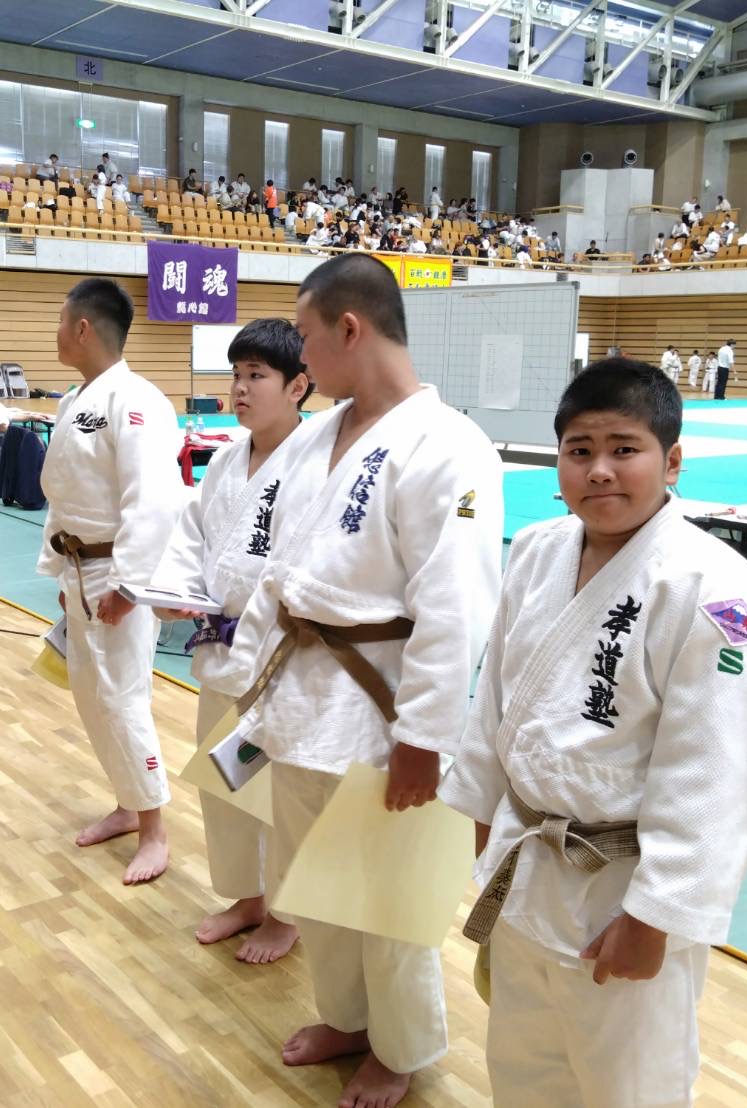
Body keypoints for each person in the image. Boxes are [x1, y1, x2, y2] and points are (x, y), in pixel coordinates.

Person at [439, 357, 747, 1108]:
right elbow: (494, 700)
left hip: (621, 888)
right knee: (524, 1067)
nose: (599, 470)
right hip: (527, 864)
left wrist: (658, 916)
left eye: (624, 449)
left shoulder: (712, 586)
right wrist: (484, 822)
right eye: (579, 450)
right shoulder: (538, 550)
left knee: (628, 1085)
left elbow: (722, 770)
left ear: (672, 461)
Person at [226, 254, 502, 1108]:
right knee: (312, 882)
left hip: (382, 706)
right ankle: (347, 1019)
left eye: (305, 337)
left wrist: (424, 738)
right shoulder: (321, 432)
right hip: (300, 693)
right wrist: (245, 670)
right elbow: (279, 564)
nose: (301, 359)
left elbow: (456, 606)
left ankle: (401, 1048)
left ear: (349, 329)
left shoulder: (448, 445)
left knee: (386, 901)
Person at [153, 318, 309, 966]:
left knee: (280, 795)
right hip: (218, 647)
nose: (240, 389)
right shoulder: (224, 459)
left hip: (282, 657)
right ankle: (247, 897)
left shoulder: (317, 464)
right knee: (224, 784)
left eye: (257, 376)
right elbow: (191, 538)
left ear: (298, 386)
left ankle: (286, 915)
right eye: (236, 374)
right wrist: (177, 591)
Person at [38, 278, 184, 886]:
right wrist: (58, 568)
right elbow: (64, 495)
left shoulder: (137, 399)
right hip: (79, 568)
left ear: (82, 328)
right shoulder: (75, 401)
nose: (55, 332)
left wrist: (128, 585)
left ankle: (155, 829)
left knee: (123, 700)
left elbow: (154, 500)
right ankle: (127, 804)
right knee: (91, 698)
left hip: (115, 574)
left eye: (60, 321)